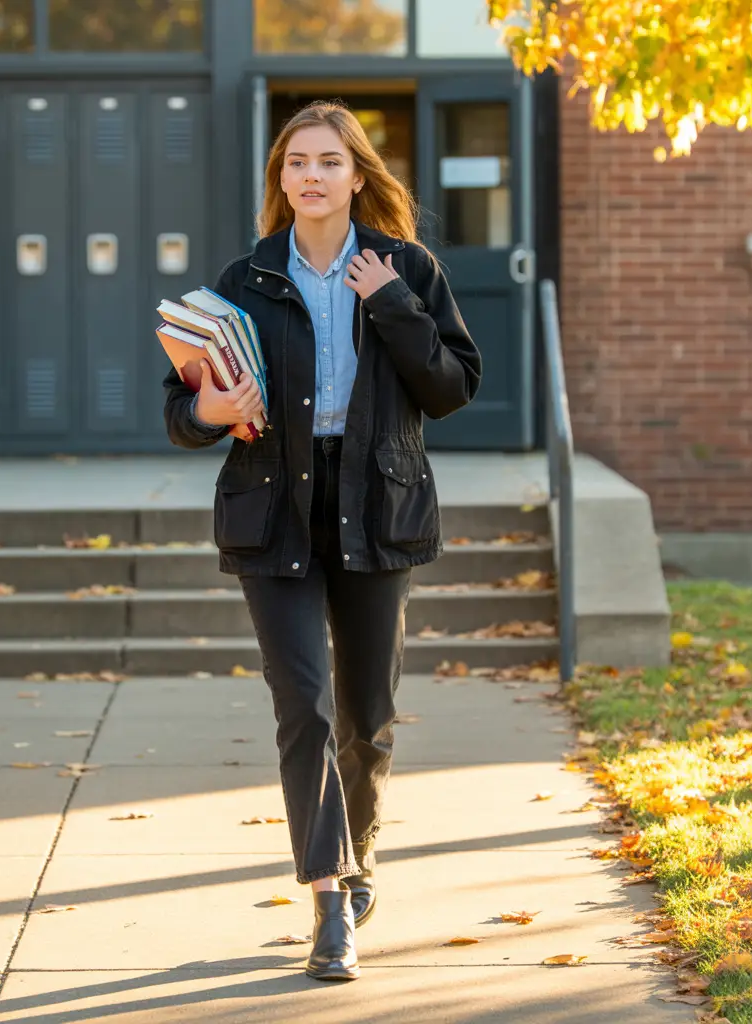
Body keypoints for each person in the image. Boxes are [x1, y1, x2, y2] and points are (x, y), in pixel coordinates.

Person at [163, 101, 481, 982]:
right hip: (275, 509)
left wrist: (392, 307)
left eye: (329, 162)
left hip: (376, 506)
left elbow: (452, 388)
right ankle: (329, 898)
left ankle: (362, 854)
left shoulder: (405, 268)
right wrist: (205, 411)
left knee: (366, 719)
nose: (311, 176)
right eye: (296, 162)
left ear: (357, 175)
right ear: (281, 180)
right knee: (301, 707)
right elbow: (181, 405)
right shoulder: (247, 277)